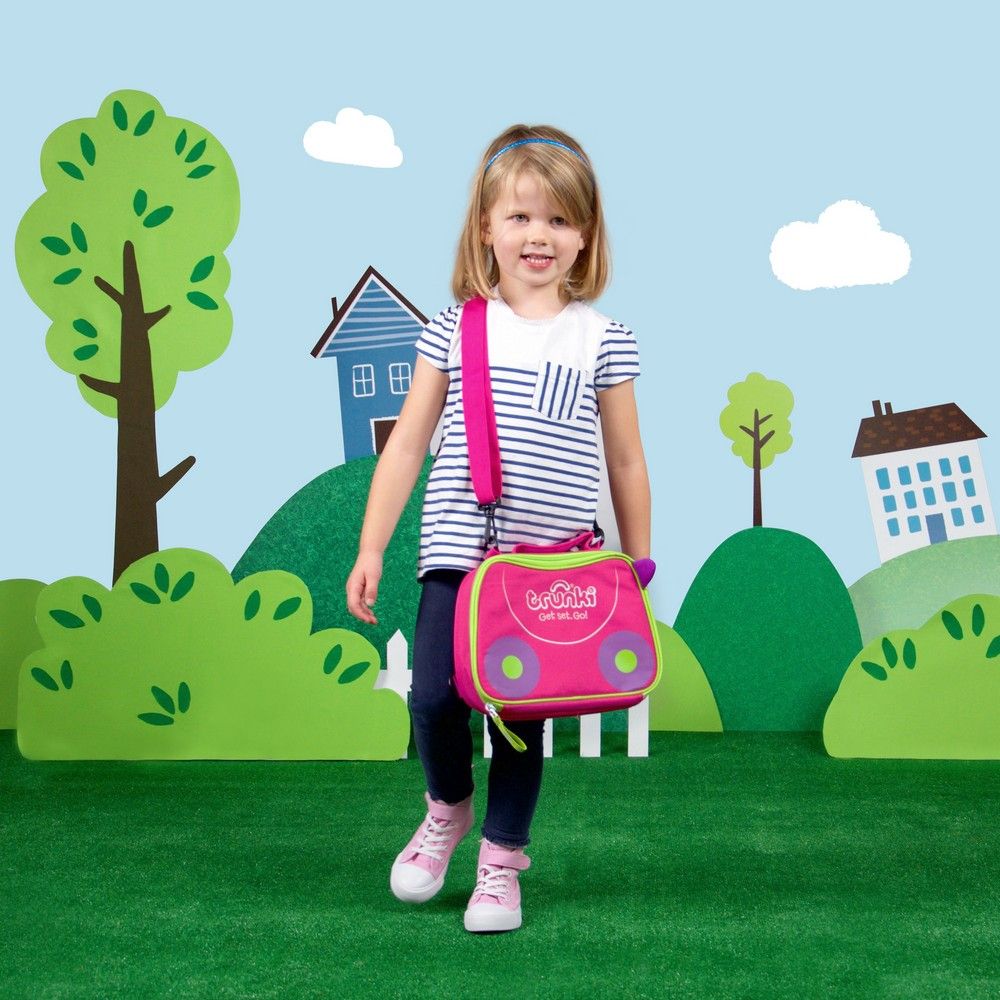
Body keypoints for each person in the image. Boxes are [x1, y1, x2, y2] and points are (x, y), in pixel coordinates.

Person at [346, 124, 651, 933]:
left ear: (584, 235)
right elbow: (406, 443)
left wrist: (638, 561)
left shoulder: (603, 339)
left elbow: (625, 461)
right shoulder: (454, 328)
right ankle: (447, 806)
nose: (537, 235)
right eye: (518, 217)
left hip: (548, 568)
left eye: (558, 219)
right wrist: (372, 546)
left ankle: (501, 862)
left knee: (520, 720)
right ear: (486, 228)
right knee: (432, 696)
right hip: (458, 551)